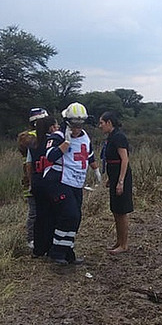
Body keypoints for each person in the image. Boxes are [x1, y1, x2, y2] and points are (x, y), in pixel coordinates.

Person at [43, 102, 101, 265]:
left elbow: (89, 155)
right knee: (70, 215)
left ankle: (68, 252)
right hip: (58, 181)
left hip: (76, 182)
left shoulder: (85, 137)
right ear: (67, 122)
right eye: (74, 125)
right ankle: (57, 252)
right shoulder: (58, 136)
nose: (77, 129)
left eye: (80, 125)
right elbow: (50, 156)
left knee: (76, 218)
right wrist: (65, 144)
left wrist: (97, 171)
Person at [99, 111, 134, 254]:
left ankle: (124, 244)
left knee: (121, 211)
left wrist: (120, 181)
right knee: (115, 210)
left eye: (102, 123)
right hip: (114, 175)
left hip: (122, 177)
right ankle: (119, 241)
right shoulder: (111, 137)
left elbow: (124, 159)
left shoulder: (119, 137)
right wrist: (110, 178)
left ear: (109, 123)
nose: (100, 126)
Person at [17, 107, 49, 248]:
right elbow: (30, 145)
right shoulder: (27, 137)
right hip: (31, 180)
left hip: (43, 179)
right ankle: (31, 239)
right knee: (34, 212)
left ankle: (41, 237)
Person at [28, 115, 58, 257]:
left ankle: (38, 249)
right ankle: (50, 247)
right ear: (50, 127)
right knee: (52, 215)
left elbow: (29, 165)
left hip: (36, 182)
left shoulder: (33, 143)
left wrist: (31, 182)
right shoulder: (52, 142)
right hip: (50, 182)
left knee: (39, 216)